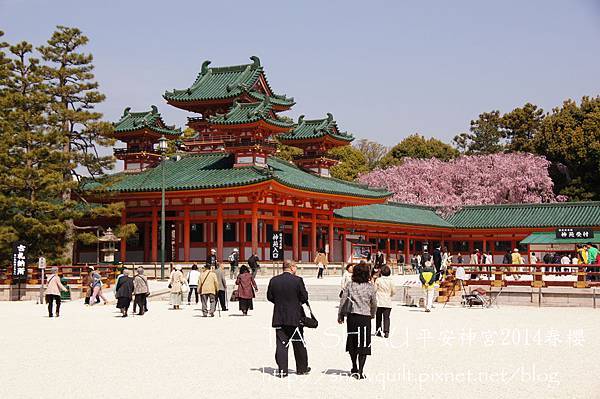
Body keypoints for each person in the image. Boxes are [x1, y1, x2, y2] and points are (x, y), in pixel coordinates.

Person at [266, 259, 310, 378]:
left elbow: (269, 296)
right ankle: (302, 368)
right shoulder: (298, 280)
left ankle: (282, 370)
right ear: (292, 267)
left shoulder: (274, 280)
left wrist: (279, 302)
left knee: (281, 344)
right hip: (295, 317)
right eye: (296, 267)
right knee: (299, 343)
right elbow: (304, 297)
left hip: (279, 315)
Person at [338, 262, 377, 379]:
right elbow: (374, 302)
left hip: (352, 317)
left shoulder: (350, 285)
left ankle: (354, 366)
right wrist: (373, 314)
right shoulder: (370, 286)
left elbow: (343, 300)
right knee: (364, 343)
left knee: (353, 342)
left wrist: (340, 314)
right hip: (365, 317)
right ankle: (360, 370)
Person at [374, 265, 395, 338]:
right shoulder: (391, 281)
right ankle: (386, 331)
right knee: (386, 317)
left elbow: (374, 289)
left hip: (379, 300)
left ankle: (378, 330)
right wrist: (390, 295)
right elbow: (393, 291)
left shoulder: (378, 280)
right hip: (387, 300)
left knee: (378, 317)